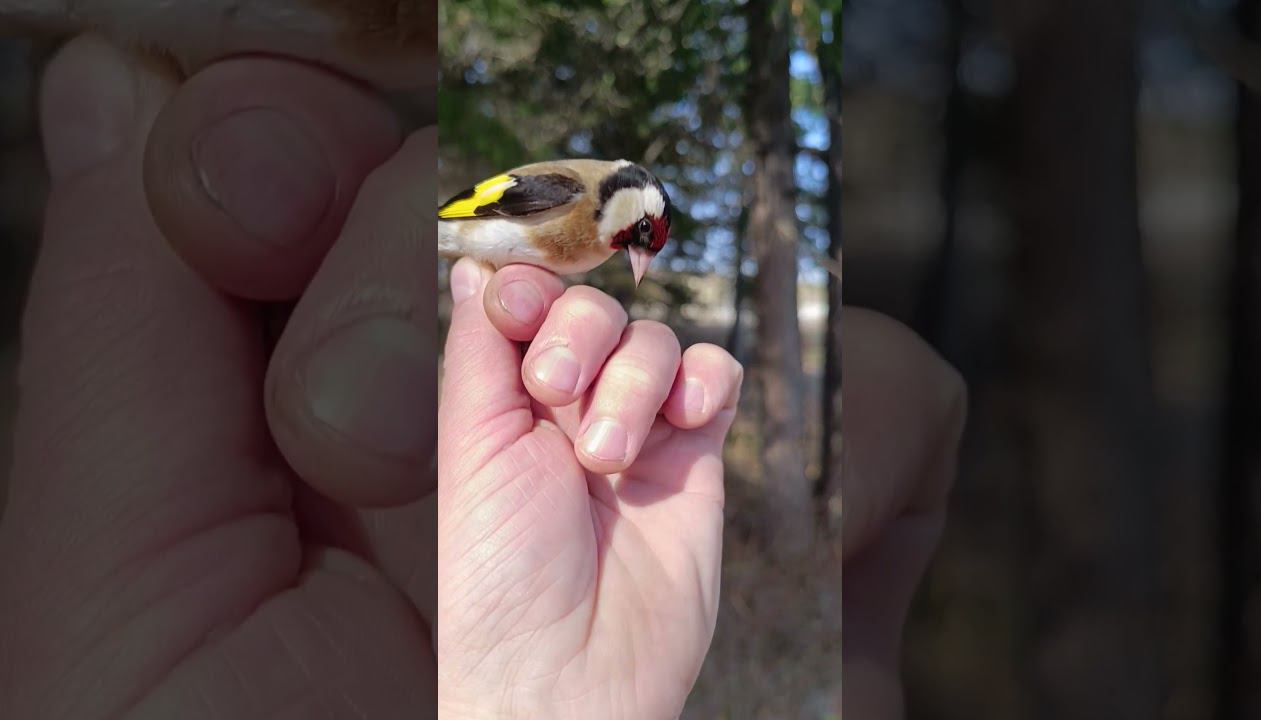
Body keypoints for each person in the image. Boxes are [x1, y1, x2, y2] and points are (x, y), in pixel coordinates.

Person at [0, 33, 966, 720]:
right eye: (639, 237)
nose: (634, 254)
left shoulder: (602, 233)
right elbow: (482, 205)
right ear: (628, 203)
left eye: (643, 248)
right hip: (467, 239)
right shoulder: (579, 191)